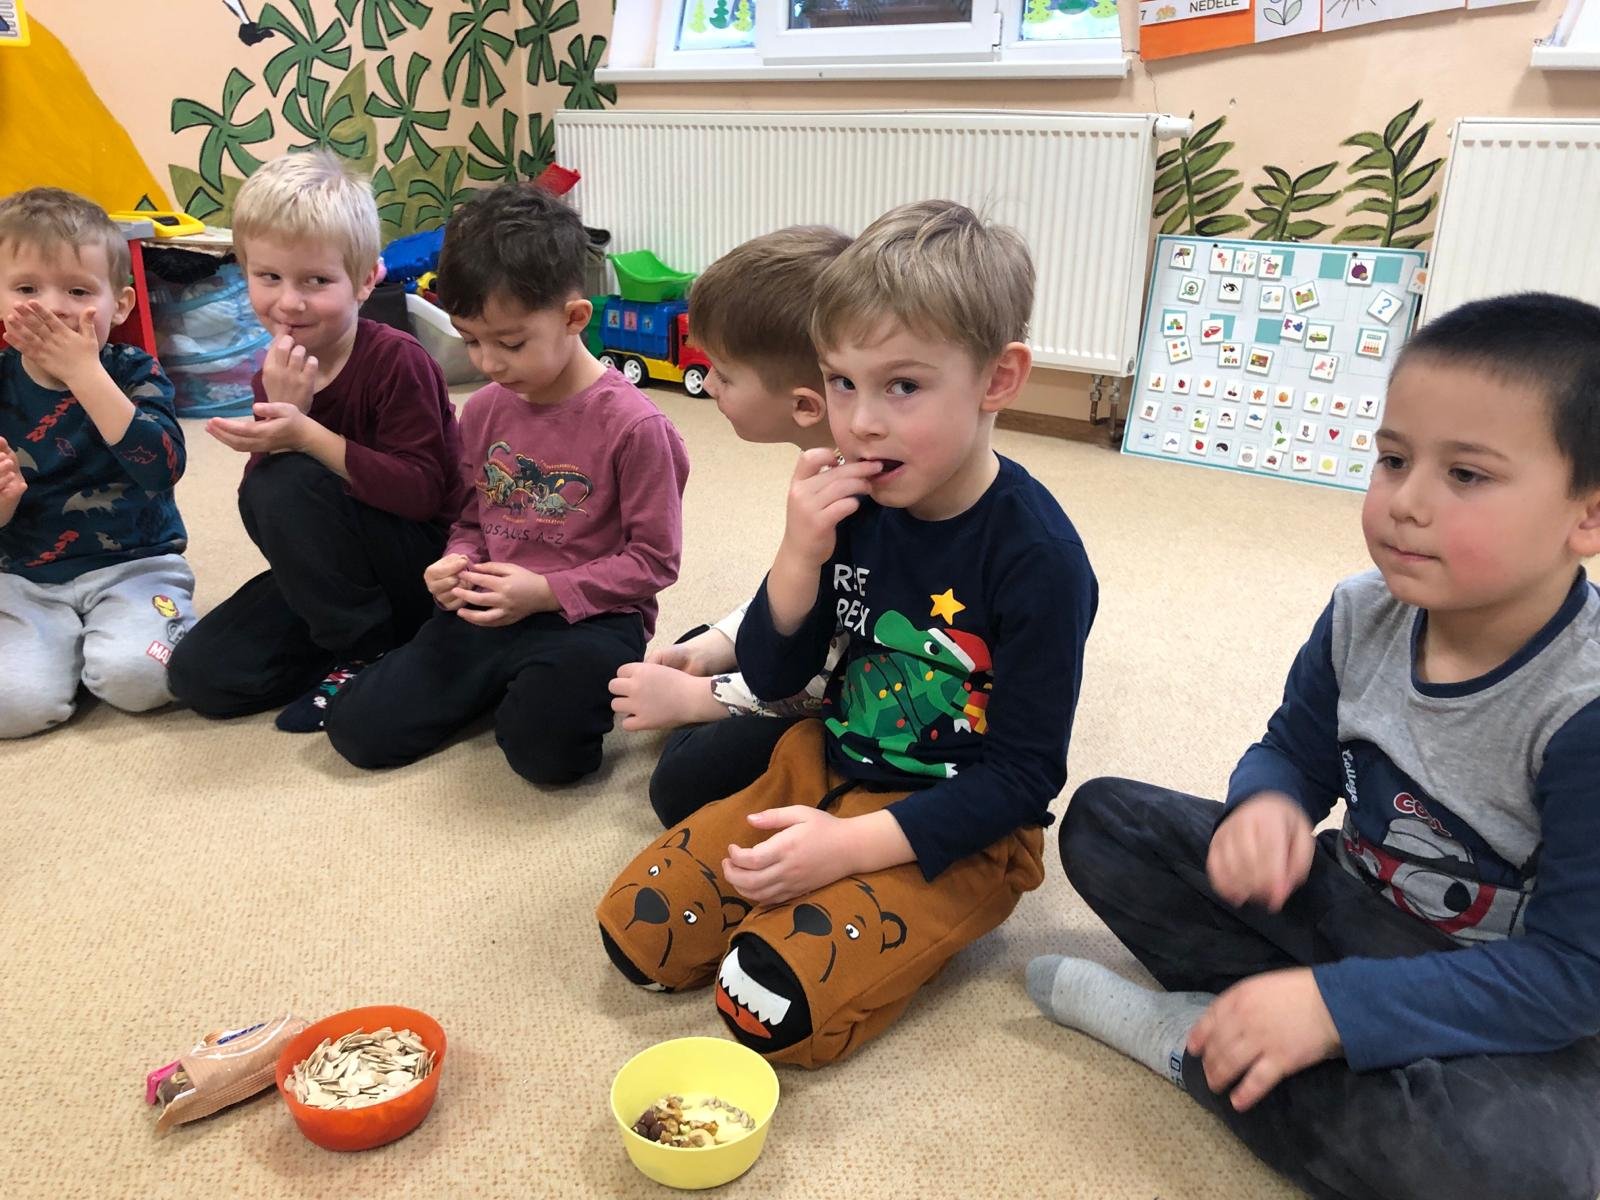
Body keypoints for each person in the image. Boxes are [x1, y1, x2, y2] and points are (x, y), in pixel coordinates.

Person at [1031, 292, 1600, 1200]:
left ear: (1588, 516)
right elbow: (1292, 752)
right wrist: (1266, 806)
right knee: (1104, 823)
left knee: (1526, 1171)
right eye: (1393, 459)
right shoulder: (1361, 612)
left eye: (1466, 475)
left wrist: (1337, 1010)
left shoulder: (1584, 708)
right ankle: (1266, 1028)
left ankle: (1191, 1044)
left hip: (1498, 993)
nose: (1404, 503)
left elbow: (1572, 977)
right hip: (1349, 906)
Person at [597, 200, 1098, 1068]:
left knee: (765, 1003)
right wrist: (799, 555)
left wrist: (846, 848)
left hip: (956, 822)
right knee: (638, 930)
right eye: (841, 382)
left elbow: (1023, 779)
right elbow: (776, 673)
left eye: (902, 386)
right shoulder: (856, 501)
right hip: (824, 759)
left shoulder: (1039, 559)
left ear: (998, 379)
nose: (860, 421)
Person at [325, 183, 690, 785]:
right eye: (470, 339)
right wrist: (458, 560)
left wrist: (545, 591)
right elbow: (473, 518)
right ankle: (504, 684)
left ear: (574, 318)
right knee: (358, 729)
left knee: (549, 758)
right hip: (493, 605)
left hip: (592, 616)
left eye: (511, 343)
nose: (488, 363)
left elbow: (653, 561)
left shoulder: (637, 428)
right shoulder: (484, 410)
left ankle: (525, 691)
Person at [166, 151, 461, 732]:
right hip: (338, 578)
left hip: (420, 564)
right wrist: (287, 419)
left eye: (316, 281)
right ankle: (364, 642)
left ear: (366, 279)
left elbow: (423, 493)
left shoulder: (398, 362)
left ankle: (369, 651)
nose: (289, 302)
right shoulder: (276, 370)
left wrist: (303, 431)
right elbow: (270, 523)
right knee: (201, 675)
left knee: (286, 480)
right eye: (268, 277)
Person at [607, 225, 851, 827]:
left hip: (849, 688)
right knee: (697, 643)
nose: (708, 382)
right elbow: (793, 587)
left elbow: (840, 662)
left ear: (804, 405)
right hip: (809, 652)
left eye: (722, 372)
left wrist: (703, 697)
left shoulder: (861, 500)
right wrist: (716, 647)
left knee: (680, 786)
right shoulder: (828, 463)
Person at [0, 187, 193, 738]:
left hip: (136, 565)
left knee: (145, 678)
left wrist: (85, 374)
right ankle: (61, 649)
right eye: (27, 289)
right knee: (12, 706)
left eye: (78, 290)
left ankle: (109, 641)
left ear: (121, 304)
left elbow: (162, 467)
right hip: (25, 576)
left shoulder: (135, 370)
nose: (54, 306)